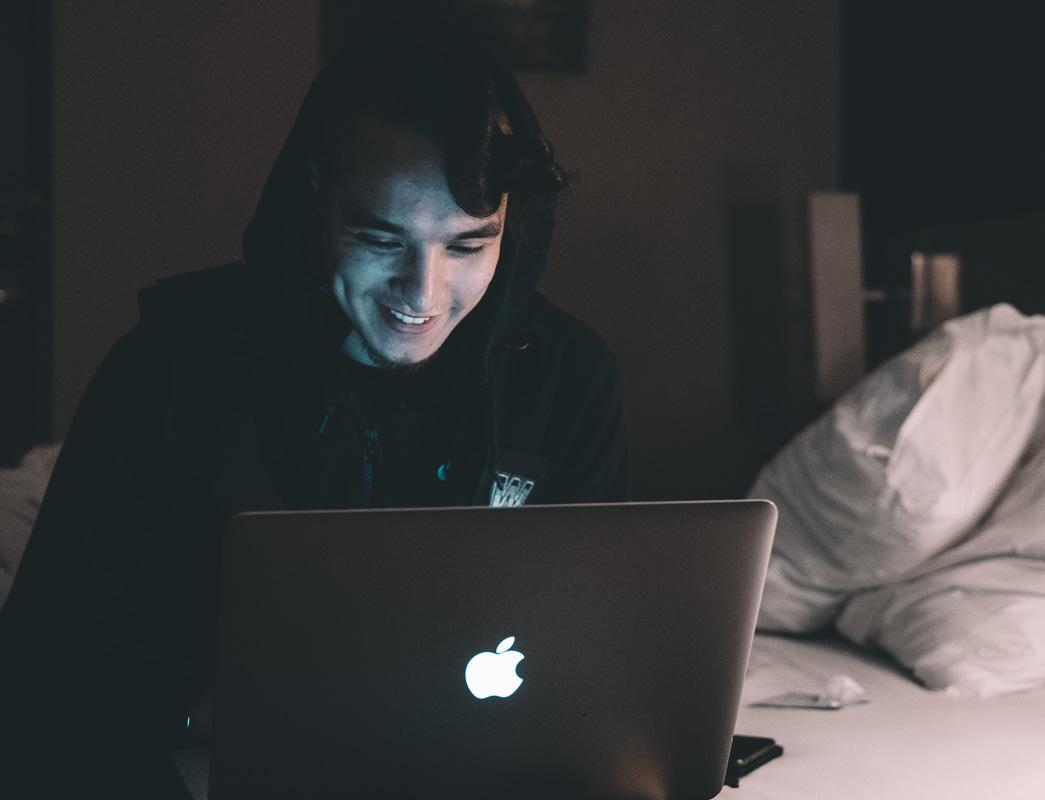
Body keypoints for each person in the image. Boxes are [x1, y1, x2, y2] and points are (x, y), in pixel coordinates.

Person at [0, 18, 628, 798]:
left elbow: (588, 654)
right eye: (379, 237)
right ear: (315, 201)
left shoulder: (567, 379)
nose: (423, 296)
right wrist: (192, 717)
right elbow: (44, 688)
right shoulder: (169, 370)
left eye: (468, 246)